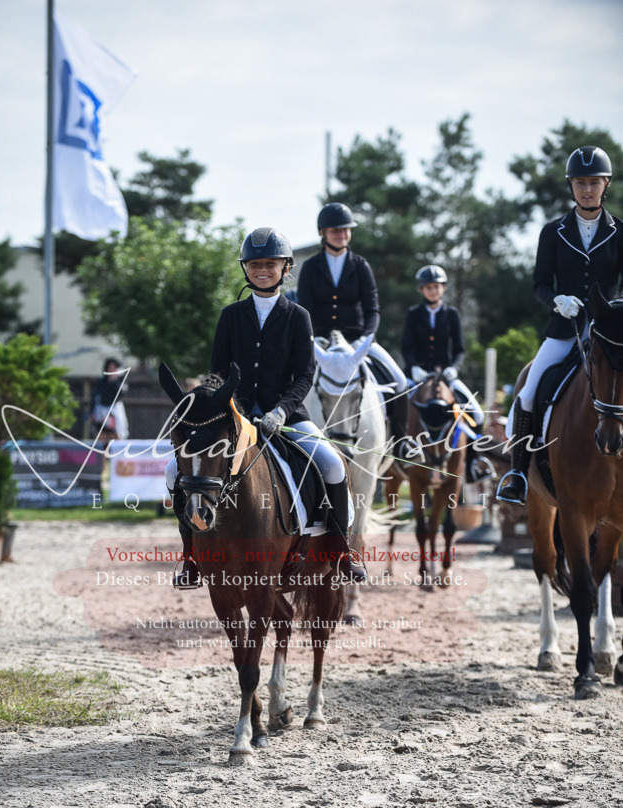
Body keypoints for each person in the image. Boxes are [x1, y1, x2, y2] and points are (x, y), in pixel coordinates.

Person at [171, 226, 368, 589]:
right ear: (245, 268)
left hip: (288, 416)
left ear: (286, 267)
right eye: (255, 263)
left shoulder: (298, 316)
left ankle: (342, 551)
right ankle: (190, 558)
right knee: (173, 470)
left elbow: (305, 375)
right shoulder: (230, 316)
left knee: (332, 464)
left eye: (271, 263)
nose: (263, 269)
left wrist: (280, 411)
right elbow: (217, 375)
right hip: (235, 421)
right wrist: (231, 411)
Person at [497, 145, 623, 504]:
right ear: (571, 186)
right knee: (528, 392)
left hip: (609, 334)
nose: (587, 189)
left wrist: (617, 309)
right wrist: (556, 300)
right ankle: (518, 473)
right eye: (580, 182)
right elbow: (539, 282)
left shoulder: (621, 231)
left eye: (594, 182)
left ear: (605, 185)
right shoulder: (553, 232)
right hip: (563, 330)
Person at [297, 202, 422, 462]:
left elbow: (373, 309)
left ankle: (400, 441)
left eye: (345, 229)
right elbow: (304, 308)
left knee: (399, 380)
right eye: (335, 230)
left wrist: (366, 338)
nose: (341, 233)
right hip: (319, 341)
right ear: (323, 232)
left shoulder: (361, 265)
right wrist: (310, 340)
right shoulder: (310, 267)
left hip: (357, 341)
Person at [401, 265, 494, 482]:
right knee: (395, 408)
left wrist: (454, 367)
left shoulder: (452, 314)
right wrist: (413, 366)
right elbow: (406, 347)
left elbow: (459, 349)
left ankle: (472, 462)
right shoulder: (413, 314)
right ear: (421, 290)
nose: (432, 291)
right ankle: (397, 455)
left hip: (446, 375)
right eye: (428, 287)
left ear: (442, 288)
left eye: (436, 286)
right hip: (417, 374)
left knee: (477, 414)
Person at [88, 357, 129, 441]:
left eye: (113, 367)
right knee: (101, 433)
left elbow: (121, 393)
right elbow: (95, 396)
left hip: (114, 409)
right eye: (110, 367)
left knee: (118, 433)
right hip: (102, 409)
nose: (111, 370)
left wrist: (114, 379)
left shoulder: (120, 381)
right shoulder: (101, 382)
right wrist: (91, 412)